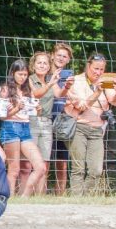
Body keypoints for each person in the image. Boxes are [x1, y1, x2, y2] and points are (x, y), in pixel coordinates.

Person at [63, 53, 116, 195]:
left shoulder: (104, 81)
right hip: (78, 127)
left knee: (96, 169)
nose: (98, 72)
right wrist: (97, 92)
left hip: (97, 129)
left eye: (101, 70)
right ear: (88, 66)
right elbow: (81, 106)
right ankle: (77, 199)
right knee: (78, 168)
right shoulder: (76, 81)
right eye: (95, 68)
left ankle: (86, 197)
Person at [0, 59, 45, 196]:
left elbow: (31, 113)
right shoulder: (5, 89)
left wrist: (38, 109)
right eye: (20, 74)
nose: (23, 77)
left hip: (25, 128)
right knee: (14, 169)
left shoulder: (27, 90)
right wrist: (17, 108)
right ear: (13, 73)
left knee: (40, 167)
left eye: (25, 74)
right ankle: (9, 198)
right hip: (10, 127)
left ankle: (25, 196)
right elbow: (2, 116)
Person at [27, 51, 70, 194]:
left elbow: (59, 94)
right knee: (30, 162)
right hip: (32, 121)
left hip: (47, 122)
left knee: (45, 161)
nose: (42, 65)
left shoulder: (50, 80)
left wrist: (67, 87)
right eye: (39, 62)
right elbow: (36, 94)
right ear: (33, 65)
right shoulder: (30, 79)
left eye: (45, 63)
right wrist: (51, 83)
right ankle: (27, 193)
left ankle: (40, 195)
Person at [50, 43, 76, 195]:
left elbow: (71, 95)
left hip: (63, 121)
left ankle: (59, 194)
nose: (61, 58)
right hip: (45, 118)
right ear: (52, 55)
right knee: (41, 161)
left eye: (64, 56)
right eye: (58, 55)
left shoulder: (69, 76)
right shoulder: (44, 71)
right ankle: (36, 192)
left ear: (68, 60)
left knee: (62, 162)